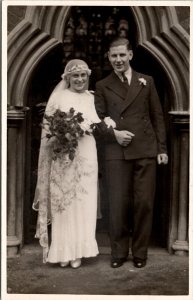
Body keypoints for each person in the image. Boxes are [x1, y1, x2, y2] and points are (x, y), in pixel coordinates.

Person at [94, 37, 168, 268]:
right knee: (117, 204)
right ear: (108, 56)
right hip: (116, 151)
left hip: (145, 149)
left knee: (143, 203)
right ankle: (118, 253)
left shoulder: (147, 81)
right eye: (114, 56)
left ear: (130, 55)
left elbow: (157, 116)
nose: (118, 60)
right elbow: (96, 120)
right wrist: (114, 135)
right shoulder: (102, 85)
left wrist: (161, 149)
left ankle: (140, 253)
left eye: (122, 55)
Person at [33, 59, 101, 268]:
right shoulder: (59, 97)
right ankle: (62, 251)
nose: (79, 79)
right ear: (67, 78)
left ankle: (79, 251)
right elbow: (48, 129)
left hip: (87, 154)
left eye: (83, 76)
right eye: (75, 76)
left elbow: (97, 124)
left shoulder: (92, 98)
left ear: (87, 77)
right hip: (63, 156)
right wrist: (62, 135)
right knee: (64, 202)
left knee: (84, 201)